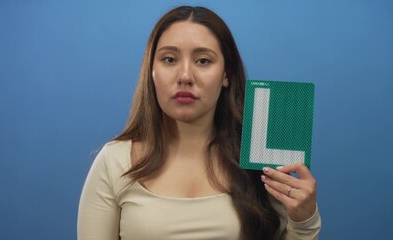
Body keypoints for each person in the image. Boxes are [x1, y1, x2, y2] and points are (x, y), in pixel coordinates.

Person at [78, 6, 321, 240]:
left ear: (227, 75)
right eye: (169, 59)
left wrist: (305, 220)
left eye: (203, 61)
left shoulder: (260, 161)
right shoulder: (114, 161)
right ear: (151, 72)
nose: (185, 76)